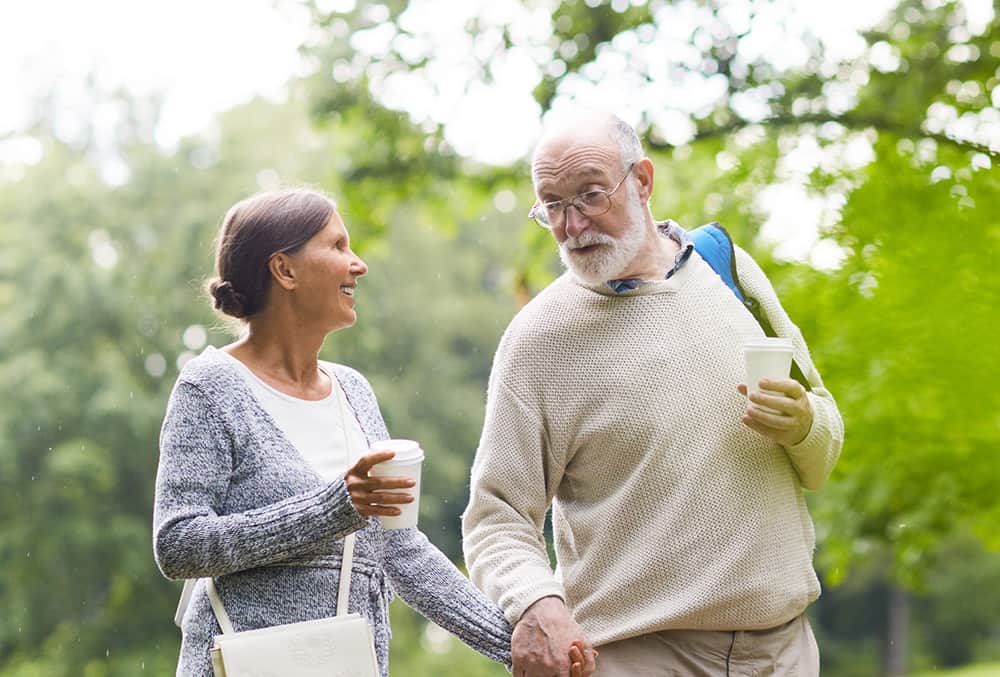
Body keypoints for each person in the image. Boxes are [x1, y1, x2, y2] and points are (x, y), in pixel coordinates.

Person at [462, 112, 844, 677]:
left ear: (642, 181)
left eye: (589, 196)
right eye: (553, 205)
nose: (572, 224)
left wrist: (803, 425)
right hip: (637, 657)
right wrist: (536, 602)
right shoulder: (538, 340)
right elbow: (496, 518)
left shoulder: (727, 269)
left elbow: (825, 443)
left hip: (782, 651)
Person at [153, 188, 522, 676]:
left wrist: (515, 646)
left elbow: (399, 549)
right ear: (284, 270)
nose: (359, 264)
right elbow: (178, 544)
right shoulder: (211, 386)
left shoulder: (353, 390)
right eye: (338, 246)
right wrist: (332, 510)